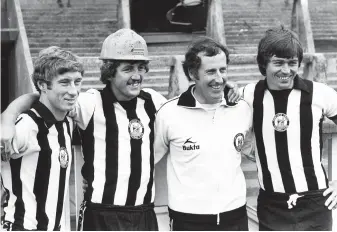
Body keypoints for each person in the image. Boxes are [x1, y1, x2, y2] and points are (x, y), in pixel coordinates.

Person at [1, 29, 240, 231]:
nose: (137, 76)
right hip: (102, 213)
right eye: (128, 69)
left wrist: (220, 84)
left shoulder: (154, 102)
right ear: (110, 71)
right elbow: (42, 98)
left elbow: (190, 105)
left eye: (140, 68)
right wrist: (8, 118)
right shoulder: (89, 103)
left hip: (144, 213)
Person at [242, 26, 337, 230]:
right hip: (272, 204)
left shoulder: (320, 94)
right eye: (278, 63)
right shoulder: (248, 95)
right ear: (263, 64)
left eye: (292, 63)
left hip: (316, 201)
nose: (286, 70)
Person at [154, 37, 252, 230]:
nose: (219, 78)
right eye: (210, 71)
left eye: (222, 70)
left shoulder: (242, 108)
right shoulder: (168, 113)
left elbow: (253, 148)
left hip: (235, 216)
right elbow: (147, 161)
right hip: (187, 219)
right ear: (193, 73)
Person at [1, 48, 84, 230]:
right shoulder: (25, 125)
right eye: (64, 83)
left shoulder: (67, 122)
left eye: (77, 82)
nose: (74, 91)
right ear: (43, 85)